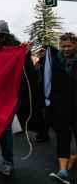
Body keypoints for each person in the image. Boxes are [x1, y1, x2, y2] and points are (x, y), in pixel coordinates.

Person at [0, 20, 40, 177]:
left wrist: (25, 54)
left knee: (5, 127)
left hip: (11, 97)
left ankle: (8, 161)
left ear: (7, 35)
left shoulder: (16, 50)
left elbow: (29, 73)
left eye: (1, 35)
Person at [43, 33, 77, 183]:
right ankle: (62, 170)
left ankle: (74, 157)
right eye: (63, 46)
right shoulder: (54, 61)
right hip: (61, 106)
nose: (66, 49)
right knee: (62, 137)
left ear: (76, 45)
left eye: (69, 46)